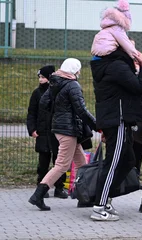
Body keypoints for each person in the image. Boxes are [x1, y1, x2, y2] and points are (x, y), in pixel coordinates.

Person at [90, 46, 142, 221]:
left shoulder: (114, 65)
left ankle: (106, 198)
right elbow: (140, 87)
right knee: (113, 163)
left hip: (121, 119)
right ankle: (99, 207)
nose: (135, 50)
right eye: (131, 46)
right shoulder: (117, 66)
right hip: (118, 120)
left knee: (128, 160)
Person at [28, 58, 97, 211]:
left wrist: (59, 112)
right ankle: (38, 196)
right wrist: (97, 126)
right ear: (75, 71)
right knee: (62, 165)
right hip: (68, 130)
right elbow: (81, 110)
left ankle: (83, 197)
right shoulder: (73, 85)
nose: (79, 73)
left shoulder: (54, 82)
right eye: (78, 70)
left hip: (61, 129)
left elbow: (44, 103)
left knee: (81, 164)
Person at [26, 65, 68, 199]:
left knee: (59, 160)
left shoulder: (57, 91)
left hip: (56, 131)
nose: (40, 80)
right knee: (43, 161)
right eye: (39, 77)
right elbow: (31, 113)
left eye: (43, 77)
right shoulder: (36, 93)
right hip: (42, 132)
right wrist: (32, 129)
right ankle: (41, 185)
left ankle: (59, 188)